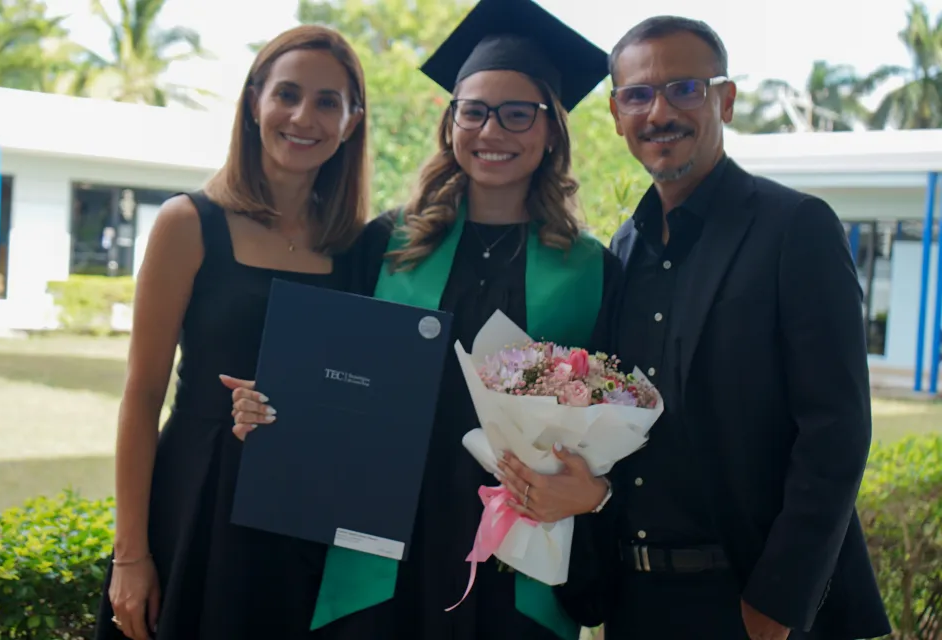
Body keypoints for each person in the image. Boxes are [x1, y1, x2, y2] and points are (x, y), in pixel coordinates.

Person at [227, 0, 622, 637]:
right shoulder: (383, 244)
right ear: (450, 122)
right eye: (474, 111)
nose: (492, 131)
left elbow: (610, 419)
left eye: (518, 113)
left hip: (516, 552)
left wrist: (593, 493)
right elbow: (325, 376)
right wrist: (271, 403)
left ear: (552, 129)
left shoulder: (591, 269)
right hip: (383, 547)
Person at [548, 15, 893, 640]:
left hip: (753, 604)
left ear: (724, 100)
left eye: (684, 88)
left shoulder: (795, 229)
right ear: (616, 113)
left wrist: (778, 603)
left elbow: (836, 431)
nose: (660, 112)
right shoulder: (621, 256)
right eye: (638, 95)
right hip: (641, 603)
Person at [92, 25, 368, 640]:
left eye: (329, 101)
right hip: (197, 494)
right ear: (254, 102)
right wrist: (130, 555)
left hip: (305, 509)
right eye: (287, 94)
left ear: (352, 121)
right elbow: (140, 399)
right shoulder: (188, 223)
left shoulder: (357, 246)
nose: (304, 116)